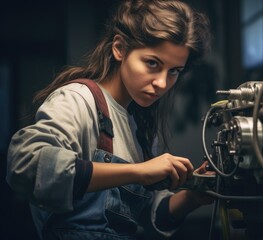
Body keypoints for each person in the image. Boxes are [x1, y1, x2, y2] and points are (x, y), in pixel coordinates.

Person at [6, 0, 213, 239]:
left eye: (173, 71)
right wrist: (137, 172)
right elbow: (27, 165)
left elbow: (151, 216)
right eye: (152, 63)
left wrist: (193, 197)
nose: (162, 83)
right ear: (119, 48)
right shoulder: (78, 100)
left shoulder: (141, 130)